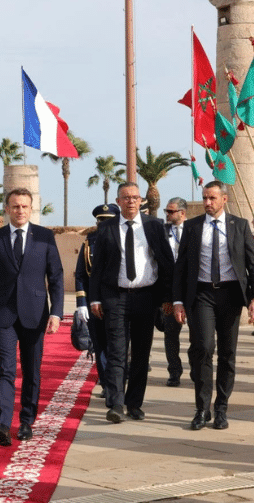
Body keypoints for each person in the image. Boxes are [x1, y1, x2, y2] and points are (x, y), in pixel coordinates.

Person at [173, 181, 254, 430]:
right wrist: (178, 300)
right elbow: (181, 267)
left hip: (231, 295)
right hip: (201, 295)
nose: (207, 203)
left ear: (224, 199)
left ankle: (221, 408)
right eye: (204, 198)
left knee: (227, 353)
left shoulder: (240, 226)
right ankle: (202, 409)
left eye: (212, 198)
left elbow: (253, 266)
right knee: (203, 347)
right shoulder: (192, 227)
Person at [0, 188, 64, 446]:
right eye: (15, 206)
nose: (20, 211)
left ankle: (26, 421)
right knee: (5, 368)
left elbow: (57, 277)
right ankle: (3, 423)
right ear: (7, 209)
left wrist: (57, 313)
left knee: (31, 370)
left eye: (24, 206)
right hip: (2, 315)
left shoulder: (45, 237)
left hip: (35, 314)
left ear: (31, 208)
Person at [89, 182, 174, 424]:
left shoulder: (154, 226)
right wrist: (94, 298)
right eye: (126, 198)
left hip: (146, 297)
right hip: (115, 297)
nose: (131, 201)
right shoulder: (106, 228)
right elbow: (98, 269)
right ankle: (115, 404)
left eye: (135, 197)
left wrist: (168, 297)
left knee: (140, 354)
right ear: (118, 201)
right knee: (116, 352)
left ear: (141, 201)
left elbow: (167, 263)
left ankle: (134, 403)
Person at [74, 203, 121, 399]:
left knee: (118, 345)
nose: (103, 224)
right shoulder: (89, 243)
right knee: (100, 344)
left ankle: (118, 382)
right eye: (100, 221)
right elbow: (81, 275)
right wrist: (82, 303)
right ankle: (107, 384)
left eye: (107, 221)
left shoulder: (125, 239)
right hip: (95, 302)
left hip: (119, 300)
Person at [162, 197, 187, 387]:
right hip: (170, 291)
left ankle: (197, 369)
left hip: (193, 291)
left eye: (171, 212)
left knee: (200, 337)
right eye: (166, 211)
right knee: (171, 334)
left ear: (182, 213)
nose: (168, 215)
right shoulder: (162, 232)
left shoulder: (194, 230)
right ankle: (174, 371)